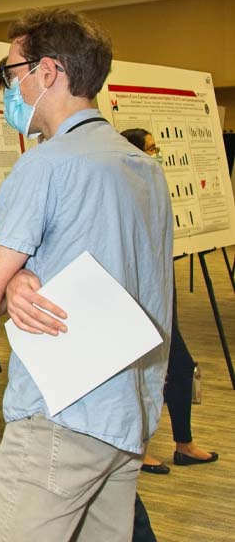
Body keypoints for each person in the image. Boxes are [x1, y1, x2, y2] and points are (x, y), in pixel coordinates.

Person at [0, 9, 173, 541]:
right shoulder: (143, 167)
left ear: (48, 72)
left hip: (60, 417)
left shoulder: (45, 165)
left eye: (12, 74)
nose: (9, 89)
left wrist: (9, 281)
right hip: (128, 412)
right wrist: (22, 278)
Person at [120, 128, 219, 474]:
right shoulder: (125, 193)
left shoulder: (152, 189)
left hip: (162, 291)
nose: (157, 153)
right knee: (142, 372)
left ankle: (184, 444)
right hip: (138, 294)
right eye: (151, 148)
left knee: (179, 367)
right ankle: (136, 450)